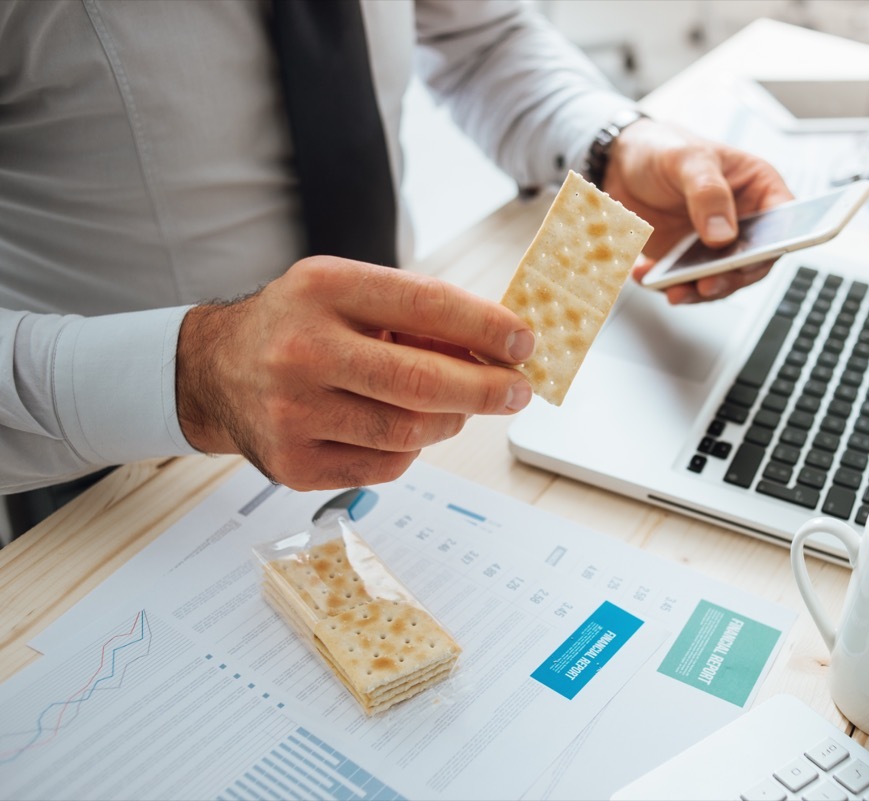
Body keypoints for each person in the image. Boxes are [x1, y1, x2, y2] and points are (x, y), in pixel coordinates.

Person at [0, 0, 791, 532]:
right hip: (111, 494)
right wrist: (195, 378)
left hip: (402, 441)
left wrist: (611, 145)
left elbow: (480, 37)